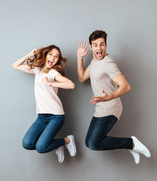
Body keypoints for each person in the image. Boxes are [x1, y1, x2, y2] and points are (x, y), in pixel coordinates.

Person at [77, 30, 151, 164]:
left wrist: (109, 97)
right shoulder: (94, 62)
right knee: (89, 143)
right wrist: (79, 58)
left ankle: (131, 143)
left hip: (110, 107)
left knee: (94, 143)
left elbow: (126, 86)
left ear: (105, 45)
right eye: (95, 45)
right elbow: (82, 77)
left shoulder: (108, 63)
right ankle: (130, 145)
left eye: (101, 44)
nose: (99, 48)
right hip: (101, 108)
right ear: (91, 46)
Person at [12, 45, 77, 163]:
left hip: (56, 116)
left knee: (41, 147)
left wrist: (50, 84)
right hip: (42, 117)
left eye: (56, 56)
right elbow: (15, 65)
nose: (53, 58)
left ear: (57, 60)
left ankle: (67, 140)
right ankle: (56, 145)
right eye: (51, 54)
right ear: (46, 55)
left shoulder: (53, 73)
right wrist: (29, 54)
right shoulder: (38, 70)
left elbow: (70, 85)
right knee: (27, 144)